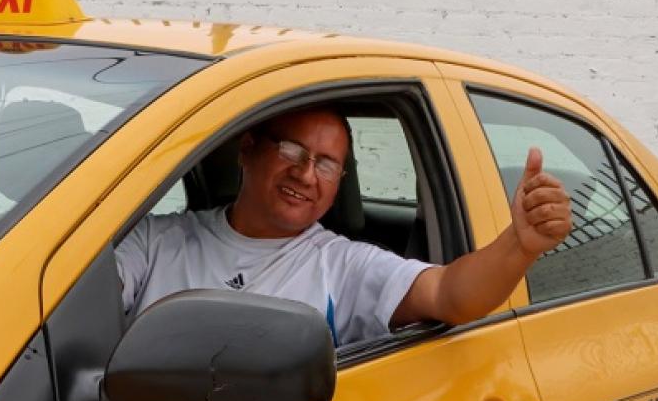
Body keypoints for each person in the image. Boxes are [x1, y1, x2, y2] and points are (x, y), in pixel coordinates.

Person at [115, 106, 572, 345]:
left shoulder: (342, 265)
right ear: (248, 148)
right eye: (292, 151)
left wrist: (519, 245)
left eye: (326, 164)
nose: (305, 174)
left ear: (339, 183)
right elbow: (78, 299)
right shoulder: (154, 240)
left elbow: (448, 293)